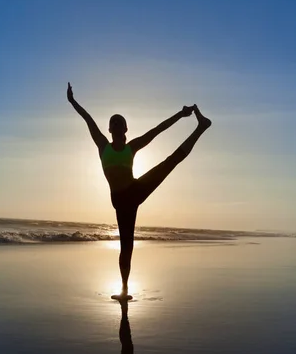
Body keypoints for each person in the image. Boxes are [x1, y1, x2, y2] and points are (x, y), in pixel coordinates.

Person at [67, 82, 211, 299]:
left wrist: (180, 115)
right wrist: (72, 101)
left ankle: (200, 128)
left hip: (135, 191)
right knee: (126, 247)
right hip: (121, 202)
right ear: (109, 130)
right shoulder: (102, 146)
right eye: (113, 122)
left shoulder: (131, 147)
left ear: (125, 129)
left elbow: (157, 130)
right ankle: (124, 290)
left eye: (120, 122)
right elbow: (88, 119)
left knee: (169, 162)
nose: (116, 124)